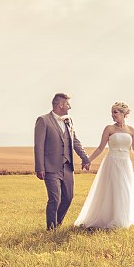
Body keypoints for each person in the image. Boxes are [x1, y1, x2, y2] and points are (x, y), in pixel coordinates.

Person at [74, 101, 134, 230]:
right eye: (112, 113)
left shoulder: (131, 130)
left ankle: (120, 220)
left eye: (115, 112)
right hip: (112, 162)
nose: (113, 115)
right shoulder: (109, 128)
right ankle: (106, 219)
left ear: (124, 113)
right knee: (112, 190)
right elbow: (100, 148)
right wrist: (88, 160)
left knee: (124, 190)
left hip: (125, 163)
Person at [34, 93, 91, 230]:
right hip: (50, 167)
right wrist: (39, 167)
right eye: (67, 104)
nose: (69, 107)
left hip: (67, 167)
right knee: (55, 199)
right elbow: (39, 145)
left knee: (68, 197)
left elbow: (75, 141)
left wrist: (85, 157)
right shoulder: (43, 120)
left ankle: (57, 223)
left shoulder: (68, 121)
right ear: (60, 105)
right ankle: (51, 228)